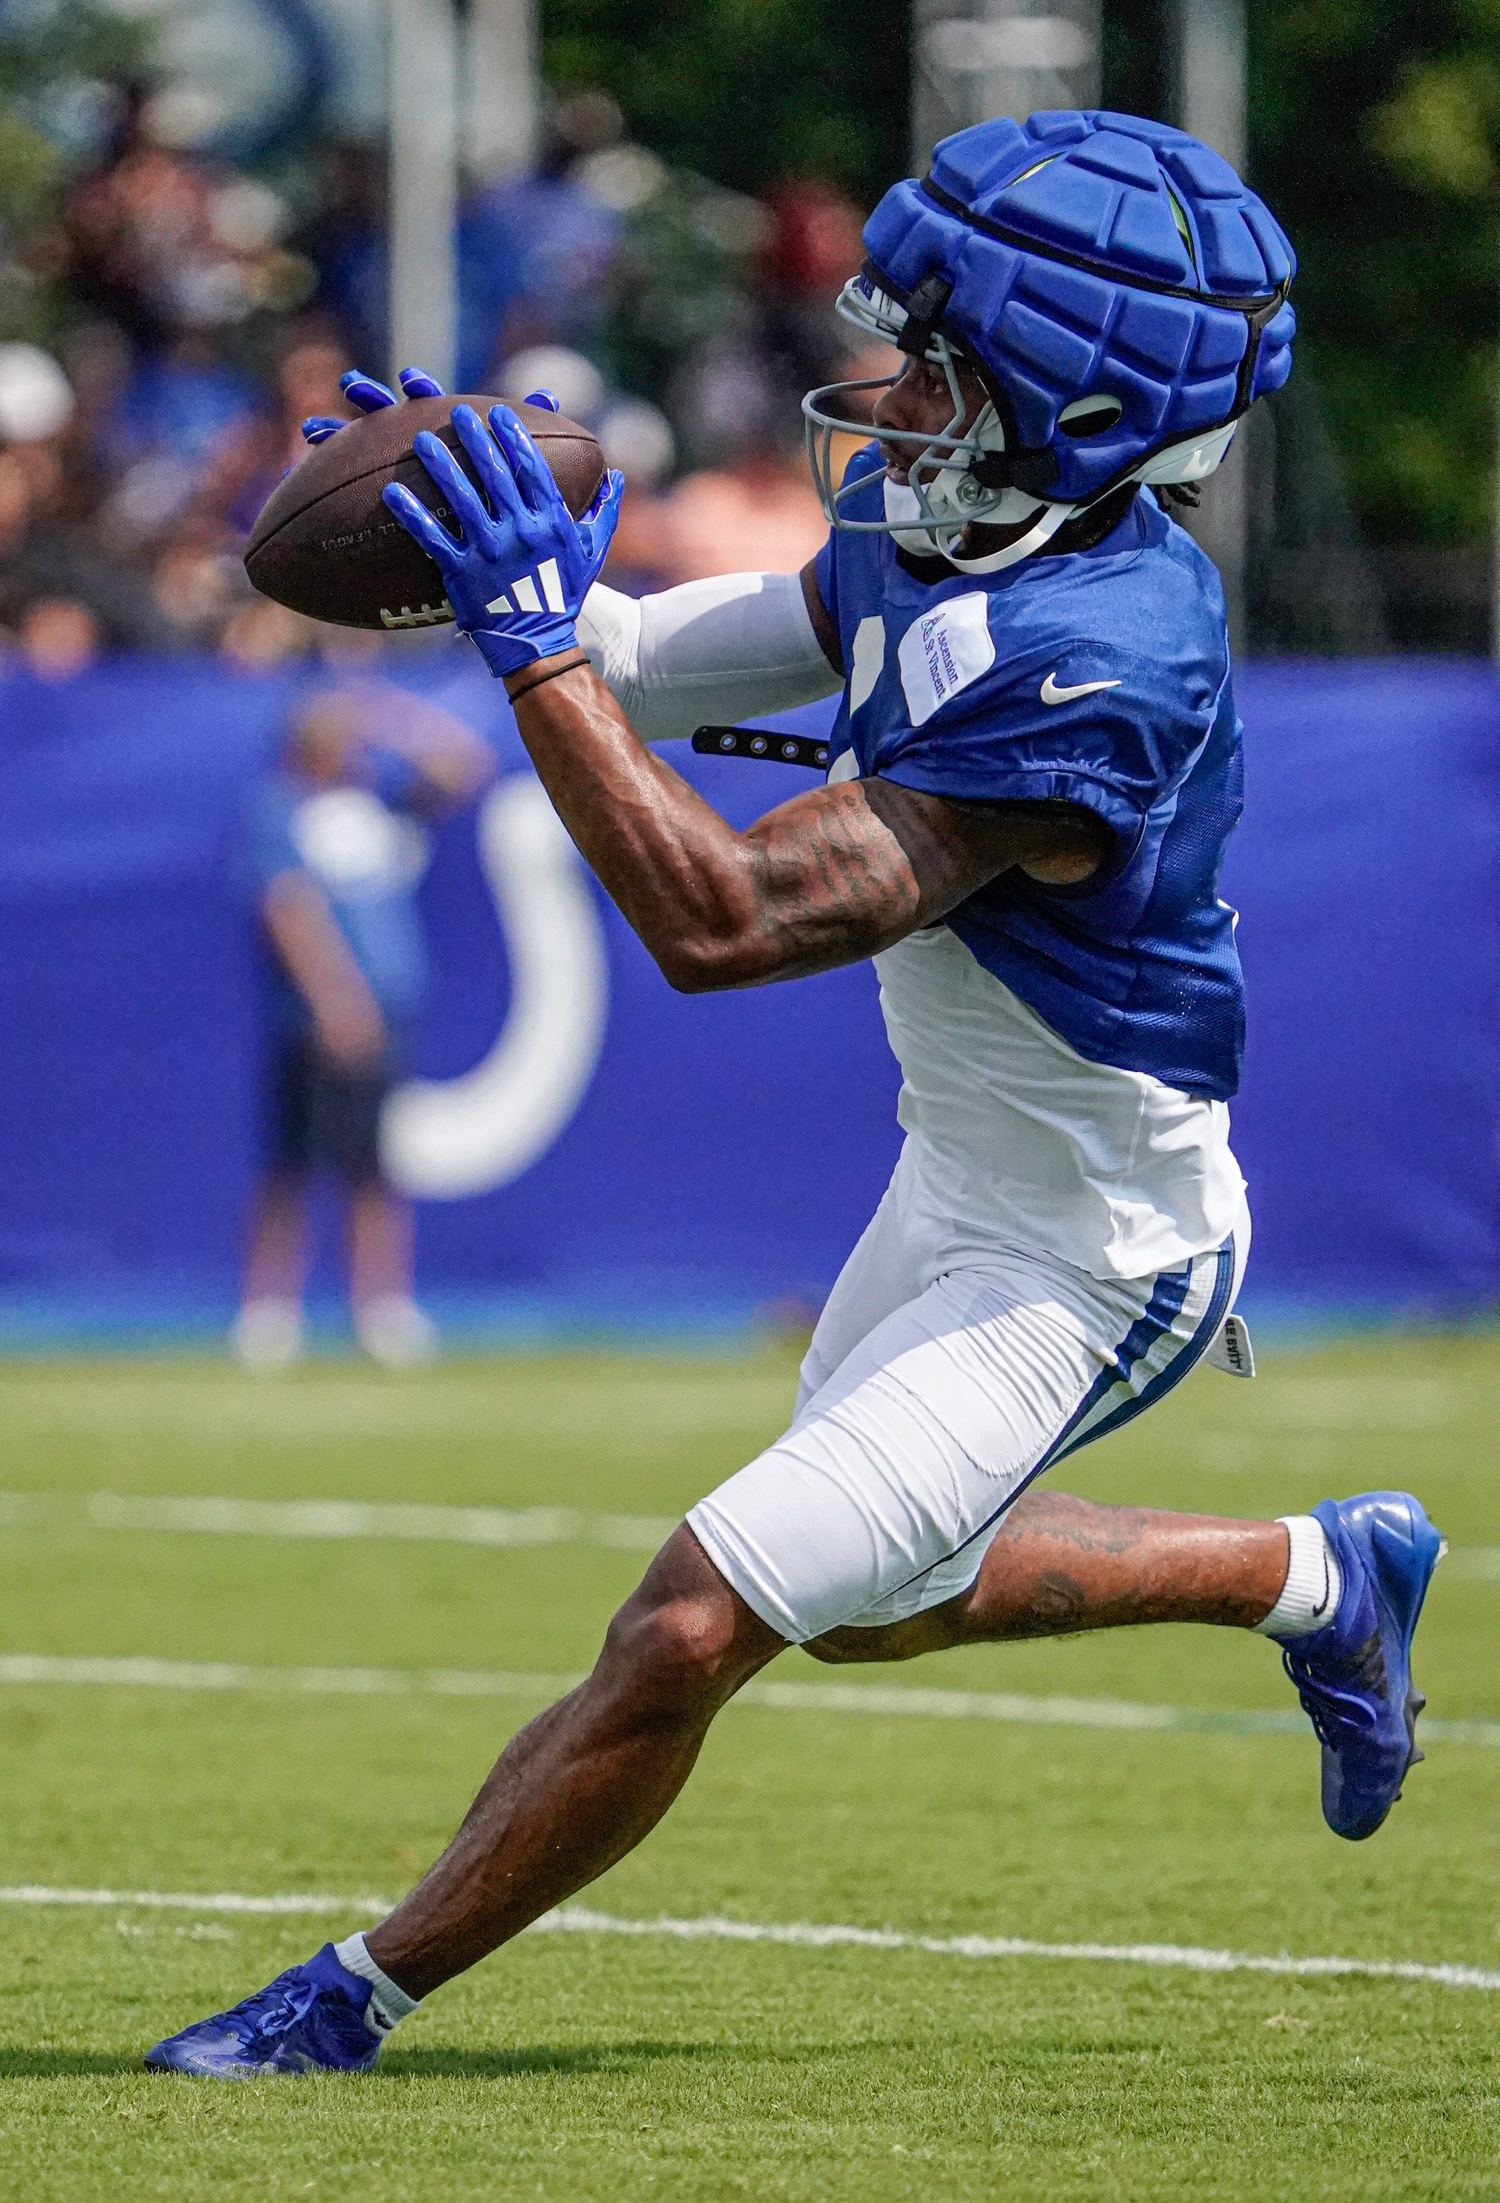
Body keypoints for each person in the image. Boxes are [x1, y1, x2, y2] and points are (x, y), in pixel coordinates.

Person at [147, 112, 1444, 2075]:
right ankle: (1323, 1572)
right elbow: (642, 657)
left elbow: (730, 918)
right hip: (962, 1186)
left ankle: (351, 1998)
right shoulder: (968, 526)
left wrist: (526, 656)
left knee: (695, 1618)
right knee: (870, 1604)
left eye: (939, 355)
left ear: (1072, 398)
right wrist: (482, 540)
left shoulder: (1098, 659)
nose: (887, 389)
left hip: (1093, 1258)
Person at [232, 684, 493, 1371]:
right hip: (314, 1016)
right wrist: (334, 997)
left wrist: (389, 714)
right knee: (291, 1161)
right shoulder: (278, 808)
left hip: (390, 1008)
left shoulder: (379, 797)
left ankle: (379, 1306)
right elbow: (286, 907)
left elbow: (465, 765)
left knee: (375, 1165)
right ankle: (268, 1310)